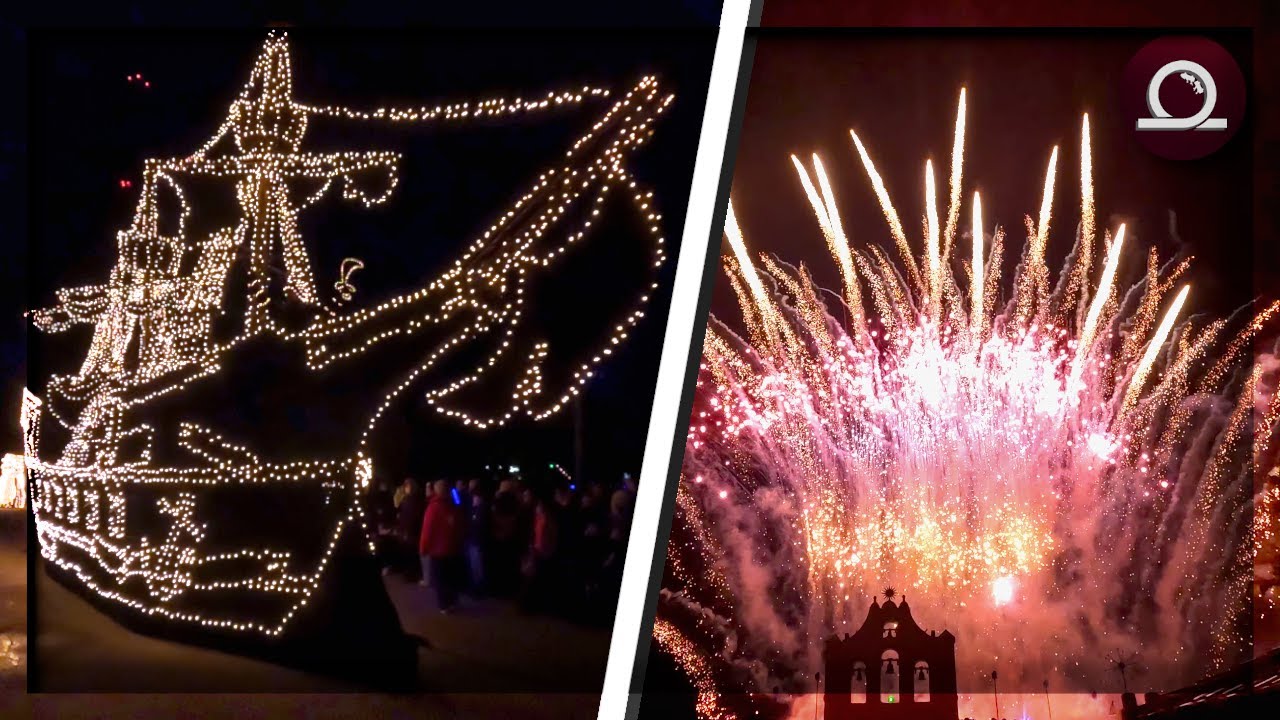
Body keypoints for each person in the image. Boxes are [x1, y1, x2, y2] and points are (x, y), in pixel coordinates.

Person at [419, 479, 465, 612]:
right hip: (452, 548)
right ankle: (452, 601)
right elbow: (460, 526)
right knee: (451, 577)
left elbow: (427, 530)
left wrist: (423, 548)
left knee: (440, 579)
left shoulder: (433, 508)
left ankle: (444, 605)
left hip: (438, 551)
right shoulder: (454, 505)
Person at [395, 478, 424, 581]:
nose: (406, 488)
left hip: (411, 531)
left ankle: (412, 574)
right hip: (406, 530)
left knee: (411, 553)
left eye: (407, 486)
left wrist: (407, 530)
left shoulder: (414, 500)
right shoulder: (407, 499)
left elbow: (412, 517)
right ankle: (409, 573)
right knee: (407, 553)